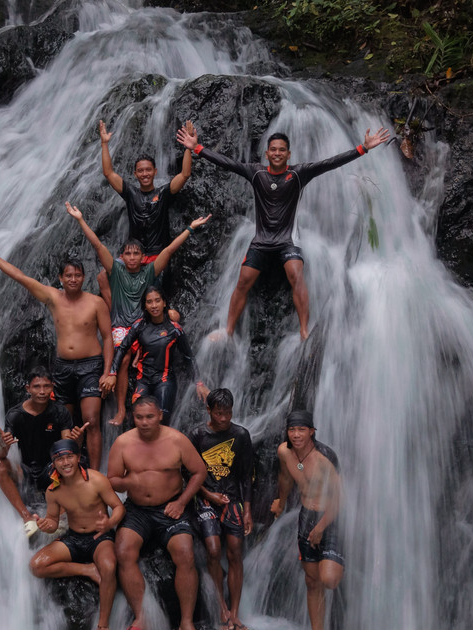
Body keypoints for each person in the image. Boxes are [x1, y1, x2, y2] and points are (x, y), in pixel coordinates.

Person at [176, 122, 391, 339]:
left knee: (296, 274)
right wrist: (196, 148)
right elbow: (228, 163)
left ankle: (305, 331)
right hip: (261, 240)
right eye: (273, 150)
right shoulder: (256, 173)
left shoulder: (299, 173)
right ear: (267, 154)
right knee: (243, 280)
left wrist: (362, 148)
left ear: (288, 154)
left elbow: (330, 163)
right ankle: (229, 330)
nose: (277, 153)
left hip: (288, 240)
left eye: (282, 150)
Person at [64, 201, 210, 427]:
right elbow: (97, 245)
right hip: (122, 325)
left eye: (136, 254)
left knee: (174, 316)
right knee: (121, 360)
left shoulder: (150, 271)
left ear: (143, 257)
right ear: (121, 256)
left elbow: (169, 250)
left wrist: (190, 228)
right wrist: (80, 219)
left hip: (145, 323)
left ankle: (138, 356)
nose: (132, 257)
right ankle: (122, 410)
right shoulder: (115, 270)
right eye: (127, 254)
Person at [0, 236, 115, 468]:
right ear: (60, 278)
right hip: (62, 367)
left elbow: (109, 338)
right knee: (65, 423)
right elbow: (21, 277)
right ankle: (67, 471)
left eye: (77, 275)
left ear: (83, 277)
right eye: (68, 275)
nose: (73, 279)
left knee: (91, 420)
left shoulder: (95, 303)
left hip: (91, 365)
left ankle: (94, 475)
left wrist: (107, 371)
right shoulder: (52, 297)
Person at [107, 396, 209, 630]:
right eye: (139, 417)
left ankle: (186, 623)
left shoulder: (176, 440)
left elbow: (199, 472)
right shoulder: (123, 443)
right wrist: (129, 483)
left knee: (185, 553)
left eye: (149, 417)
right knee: (123, 551)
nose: (144, 422)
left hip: (170, 508)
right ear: (133, 417)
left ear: (160, 415)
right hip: (137, 510)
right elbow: (112, 479)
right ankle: (142, 617)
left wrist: (183, 502)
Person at [29, 439, 126, 630]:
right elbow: (54, 521)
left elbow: (118, 506)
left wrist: (110, 524)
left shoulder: (97, 480)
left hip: (100, 537)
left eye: (68, 457)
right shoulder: (53, 490)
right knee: (36, 566)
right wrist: (46, 525)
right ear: (54, 463)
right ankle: (88, 570)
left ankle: (103, 626)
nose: (65, 462)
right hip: (74, 538)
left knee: (109, 568)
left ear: (77, 457)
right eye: (59, 459)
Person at [96, 118, 195, 311]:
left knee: (152, 297)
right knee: (102, 277)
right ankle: (117, 311)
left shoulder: (163, 194)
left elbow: (184, 175)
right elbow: (108, 173)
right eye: (140, 171)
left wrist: (188, 147)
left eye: (148, 170)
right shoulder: (131, 194)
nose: (144, 174)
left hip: (157, 256)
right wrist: (104, 143)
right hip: (134, 256)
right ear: (135, 174)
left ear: (155, 172)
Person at [270, 410, 344, 630]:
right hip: (306, 517)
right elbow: (285, 477)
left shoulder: (325, 459)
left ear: (312, 431)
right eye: (292, 430)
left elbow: (339, 499)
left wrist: (321, 527)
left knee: (329, 579)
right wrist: (280, 502)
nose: (296, 435)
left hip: (329, 517)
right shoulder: (284, 452)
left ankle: (342, 563)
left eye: (302, 430)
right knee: (312, 582)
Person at [188, 387, 255, 630]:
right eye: (219, 413)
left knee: (235, 552)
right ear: (209, 411)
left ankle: (235, 613)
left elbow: (247, 476)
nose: (224, 418)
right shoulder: (196, 436)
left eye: (228, 413)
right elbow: (190, 475)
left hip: (233, 500)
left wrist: (247, 510)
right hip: (205, 499)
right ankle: (220, 606)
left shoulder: (241, 435)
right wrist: (208, 494)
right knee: (214, 550)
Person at [0, 367, 87, 536]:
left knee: (75, 464)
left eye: (46, 386)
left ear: (53, 387)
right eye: (37, 387)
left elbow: (67, 448)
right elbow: (1, 454)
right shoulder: (15, 415)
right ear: (27, 388)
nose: (42, 392)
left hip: (50, 469)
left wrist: (77, 440)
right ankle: (27, 517)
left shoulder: (59, 412)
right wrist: (3, 444)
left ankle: (58, 518)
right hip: (25, 469)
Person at [109, 285, 208, 425]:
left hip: (164, 379)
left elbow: (188, 357)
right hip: (143, 379)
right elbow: (122, 348)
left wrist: (199, 383)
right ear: (145, 305)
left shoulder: (175, 329)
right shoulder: (139, 326)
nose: (154, 305)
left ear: (164, 303)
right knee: (138, 418)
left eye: (157, 301)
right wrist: (112, 373)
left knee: (161, 420)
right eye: (149, 302)